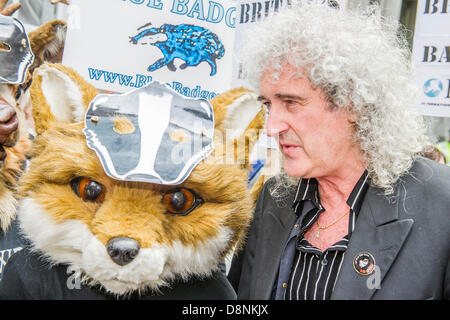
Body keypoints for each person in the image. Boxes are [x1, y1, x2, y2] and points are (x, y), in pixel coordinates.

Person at [228, 3, 450, 300]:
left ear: (353, 103)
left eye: (291, 103)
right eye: (268, 105)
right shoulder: (274, 199)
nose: (271, 127)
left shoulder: (441, 204)